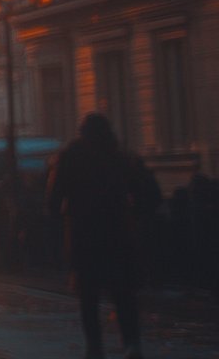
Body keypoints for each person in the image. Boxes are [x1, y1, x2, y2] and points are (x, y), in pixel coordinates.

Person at [47, 113, 161, 359]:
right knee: (123, 294)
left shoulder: (70, 158)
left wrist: (62, 222)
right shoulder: (119, 157)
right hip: (118, 234)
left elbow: (54, 201)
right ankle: (131, 343)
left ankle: (95, 347)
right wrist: (134, 215)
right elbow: (148, 194)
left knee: (89, 296)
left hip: (84, 236)